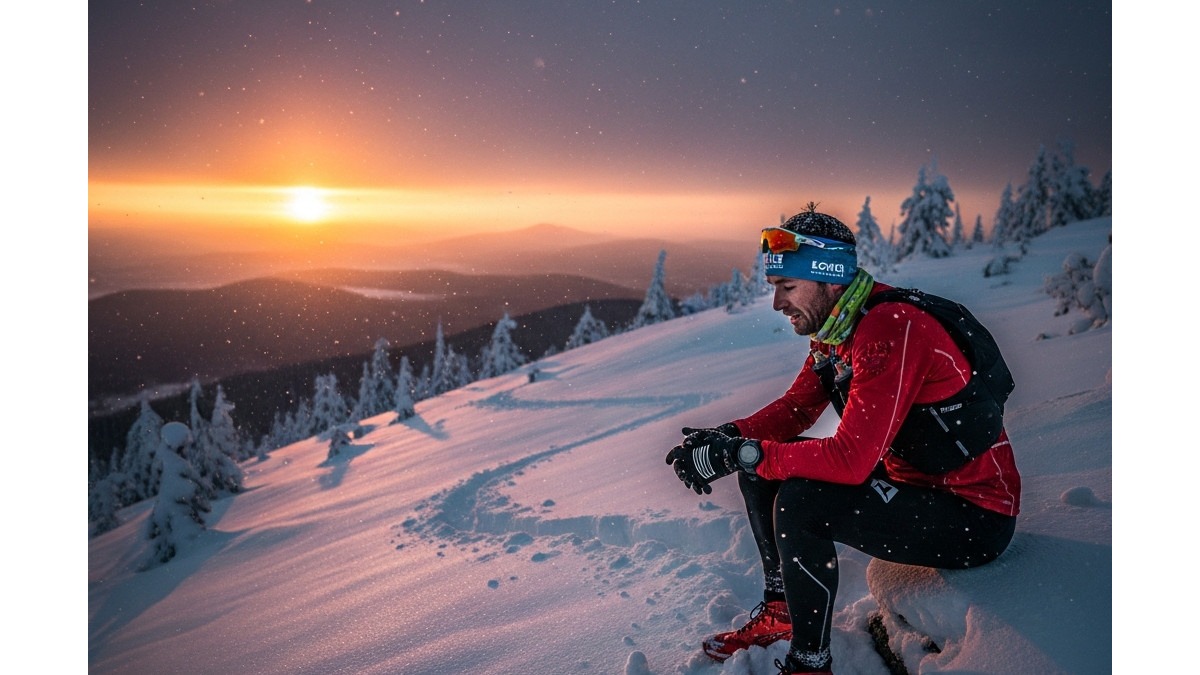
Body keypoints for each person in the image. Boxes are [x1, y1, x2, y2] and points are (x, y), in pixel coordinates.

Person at [665, 204, 1020, 675]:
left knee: (800, 499)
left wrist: (742, 451)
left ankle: (810, 664)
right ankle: (782, 614)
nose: (777, 304)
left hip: (974, 517)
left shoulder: (888, 329)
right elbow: (795, 411)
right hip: (916, 486)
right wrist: (728, 438)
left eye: (788, 288)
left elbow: (851, 460)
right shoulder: (838, 330)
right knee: (762, 469)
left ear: (830, 279)